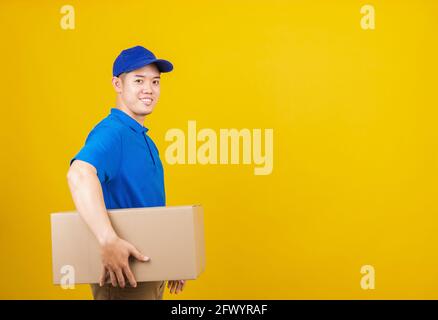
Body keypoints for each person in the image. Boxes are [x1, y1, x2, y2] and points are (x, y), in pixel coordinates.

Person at [67, 45, 185, 300]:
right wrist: (108, 240)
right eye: (138, 80)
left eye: (155, 81)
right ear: (117, 85)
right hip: (124, 274)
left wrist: (169, 257)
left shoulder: (144, 139)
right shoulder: (113, 132)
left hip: (148, 269)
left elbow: (146, 206)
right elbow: (79, 174)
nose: (149, 89)